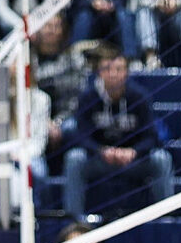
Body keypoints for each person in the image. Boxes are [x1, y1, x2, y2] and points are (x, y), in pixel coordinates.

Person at [61, 43, 174, 216]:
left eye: (118, 69)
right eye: (107, 68)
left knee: (162, 159)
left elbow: (152, 136)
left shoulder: (140, 96)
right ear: (99, 72)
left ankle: (166, 219)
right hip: (101, 160)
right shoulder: (87, 98)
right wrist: (101, 150)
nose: (113, 74)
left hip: (132, 161)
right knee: (74, 158)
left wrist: (133, 152)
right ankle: (74, 222)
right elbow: (80, 136)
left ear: (126, 72)